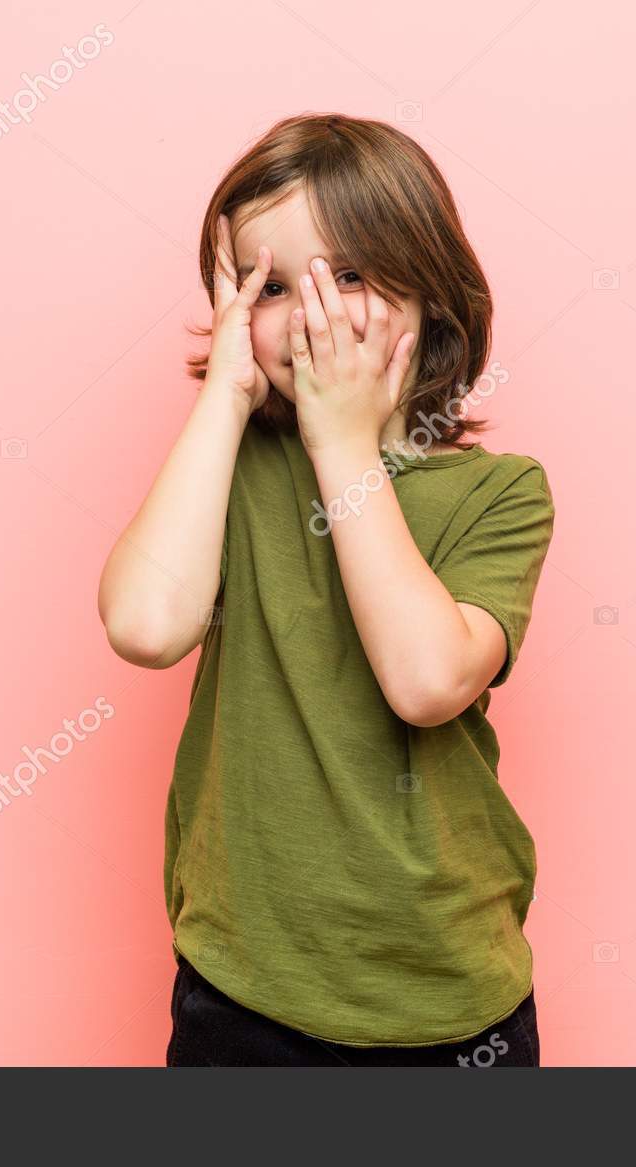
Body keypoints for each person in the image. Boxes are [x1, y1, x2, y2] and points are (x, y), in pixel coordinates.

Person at [97, 113, 554, 1066]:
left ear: (432, 296)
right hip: (243, 986)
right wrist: (224, 395)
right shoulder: (228, 470)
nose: (309, 310)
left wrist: (344, 446)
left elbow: (427, 683)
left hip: (450, 995)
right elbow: (145, 626)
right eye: (267, 284)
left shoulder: (501, 494)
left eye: (347, 275)